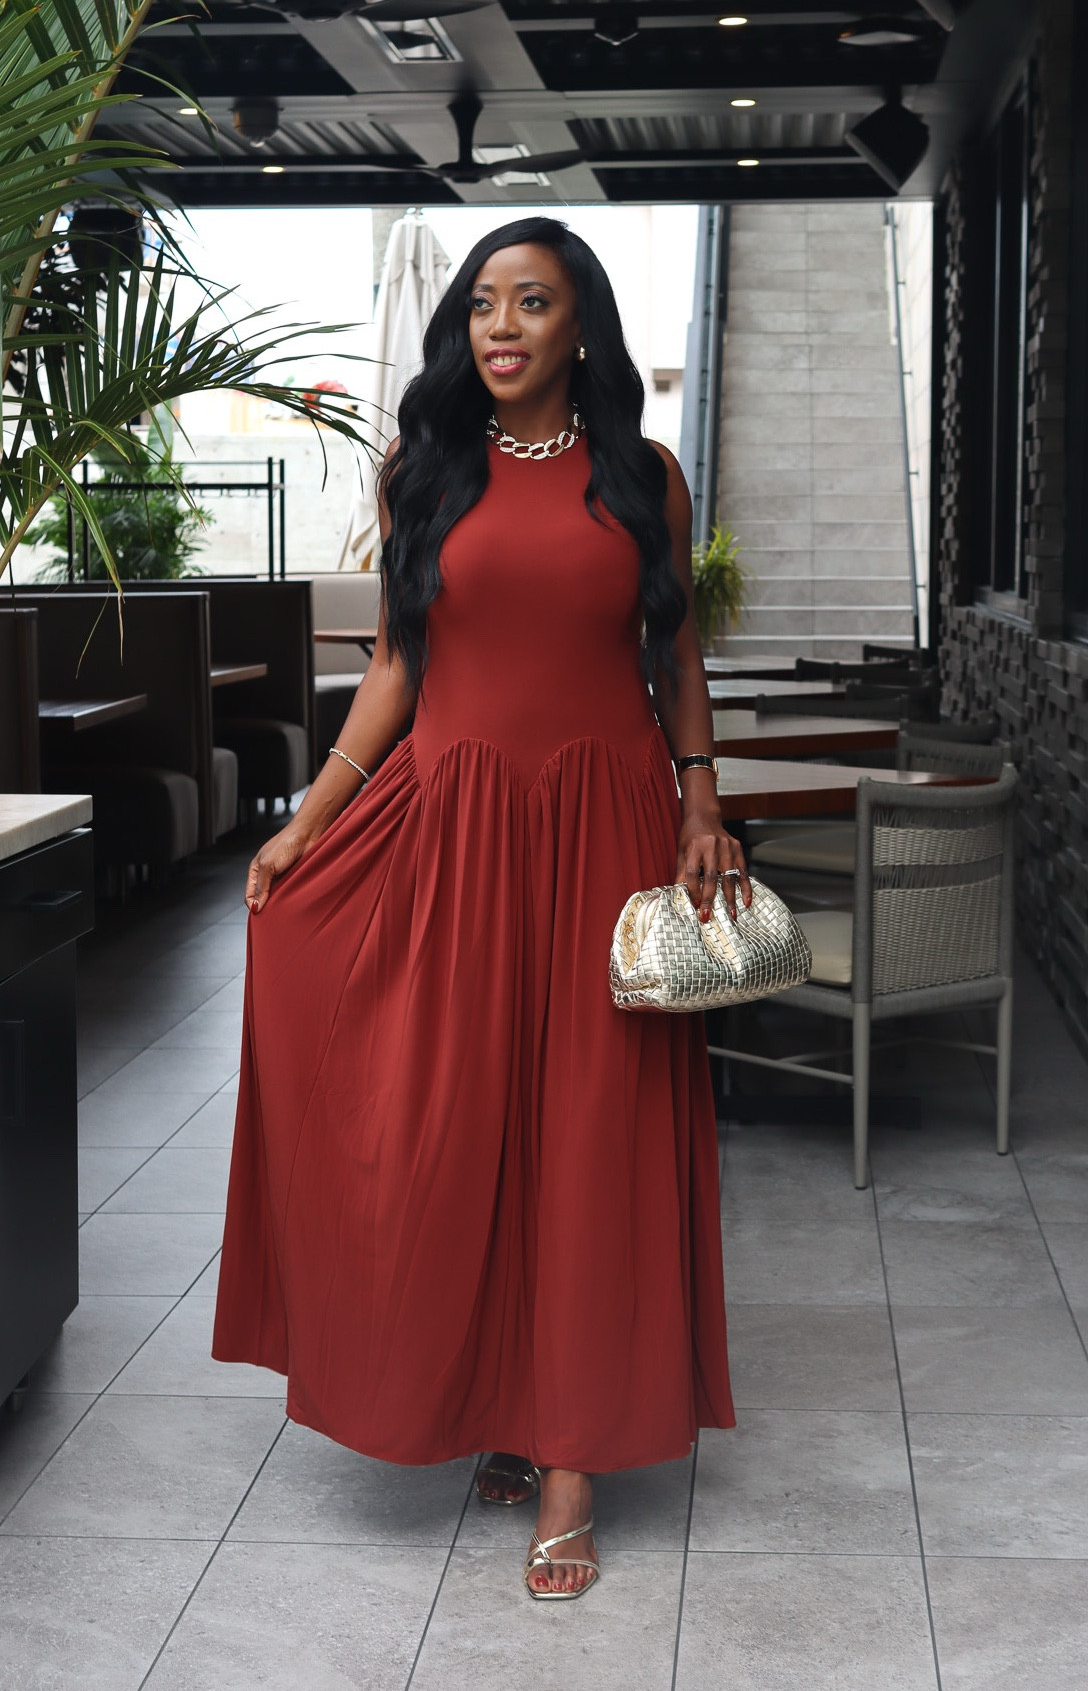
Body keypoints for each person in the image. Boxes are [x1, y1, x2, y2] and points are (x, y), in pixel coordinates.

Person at [213, 216, 742, 1601]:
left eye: (534, 302)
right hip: (455, 832)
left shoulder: (646, 478)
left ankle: (568, 1460)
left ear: (580, 325)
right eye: (485, 304)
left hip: (607, 832)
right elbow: (397, 670)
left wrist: (700, 804)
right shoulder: (425, 473)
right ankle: (499, 1392)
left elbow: (676, 658)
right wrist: (307, 822)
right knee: (460, 1121)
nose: (503, 327)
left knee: (588, 1135)